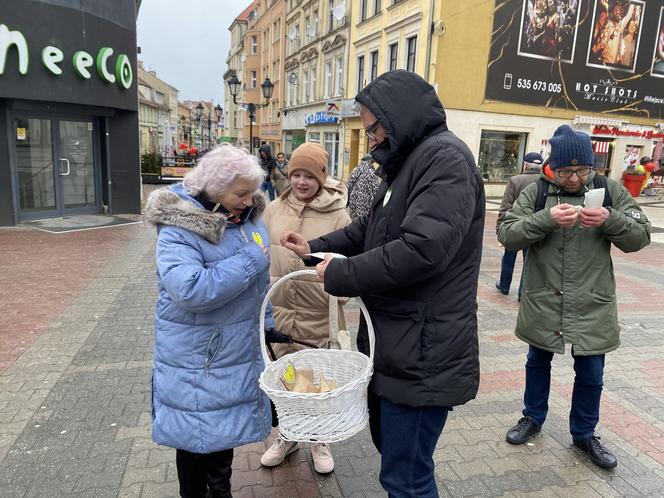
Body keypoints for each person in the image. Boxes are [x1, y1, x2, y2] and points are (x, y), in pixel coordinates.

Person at [280, 70, 485, 497]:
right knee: (397, 466)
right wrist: (314, 248)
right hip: (399, 342)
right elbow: (366, 232)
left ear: (398, 118)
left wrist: (340, 275)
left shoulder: (444, 159)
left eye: (373, 127)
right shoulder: (407, 163)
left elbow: (421, 249)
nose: (369, 137)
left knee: (406, 478)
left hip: (423, 350)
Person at [499, 125, 651, 470]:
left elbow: (640, 235)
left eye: (582, 170)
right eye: (566, 171)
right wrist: (546, 219)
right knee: (537, 363)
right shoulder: (537, 191)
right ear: (553, 165)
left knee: (592, 374)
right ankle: (532, 418)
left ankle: (584, 434)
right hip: (544, 298)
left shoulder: (609, 190)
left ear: (592, 166)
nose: (573, 178)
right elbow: (507, 234)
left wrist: (611, 220)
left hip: (592, 302)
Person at [144, 144, 274, 498]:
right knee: (194, 438)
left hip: (231, 353)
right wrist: (251, 260)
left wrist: (267, 324)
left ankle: (222, 490)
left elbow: (259, 287)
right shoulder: (178, 229)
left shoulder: (241, 220)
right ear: (215, 188)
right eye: (242, 193)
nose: (250, 200)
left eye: (252, 192)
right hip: (197, 359)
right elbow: (190, 289)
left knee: (222, 433)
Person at [260, 142, 351, 474]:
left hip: (318, 312)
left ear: (321, 178)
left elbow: (348, 263)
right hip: (281, 309)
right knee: (287, 377)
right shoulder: (273, 208)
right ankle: (288, 434)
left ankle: (320, 438)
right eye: (295, 174)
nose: (300, 181)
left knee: (319, 378)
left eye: (308, 175)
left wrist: (336, 299)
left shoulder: (339, 213)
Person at [495, 152, 543, 299]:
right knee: (529, 261)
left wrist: (500, 228)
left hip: (514, 225)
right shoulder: (543, 182)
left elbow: (506, 206)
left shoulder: (515, 180)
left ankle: (504, 285)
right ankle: (523, 292)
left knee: (509, 257)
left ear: (525, 165)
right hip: (534, 227)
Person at [347, 153, 381, 221]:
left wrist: (348, 200)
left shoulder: (355, 170)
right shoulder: (372, 173)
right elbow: (375, 190)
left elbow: (348, 186)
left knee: (354, 222)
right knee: (363, 222)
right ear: (369, 161)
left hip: (353, 200)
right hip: (366, 203)